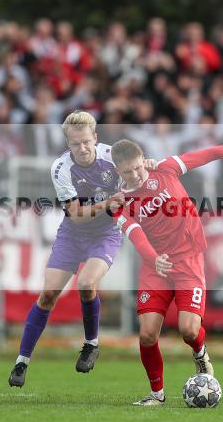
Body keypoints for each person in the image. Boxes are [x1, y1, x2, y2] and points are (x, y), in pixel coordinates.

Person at [110, 135, 223, 406]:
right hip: (156, 268)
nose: (136, 175)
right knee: (147, 334)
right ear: (118, 171)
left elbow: (210, 153)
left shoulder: (166, 167)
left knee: (189, 331)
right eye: (128, 172)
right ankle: (156, 394)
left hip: (188, 260)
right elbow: (136, 235)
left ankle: (200, 354)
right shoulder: (118, 203)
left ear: (144, 160)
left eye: (138, 168)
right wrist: (154, 259)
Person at [8, 111, 156, 387]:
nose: (82, 148)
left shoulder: (113, 156)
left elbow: (140, 174)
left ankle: (91, 344)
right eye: (76, 144)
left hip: (106, 234)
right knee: (48, 295)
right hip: (73, 233)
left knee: (87, 284)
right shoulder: (61, 169)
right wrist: (107, 203)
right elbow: (75, 214)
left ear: (95, 138)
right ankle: (21, 361)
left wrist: (148, 167)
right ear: (69, 144)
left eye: (87, 142)